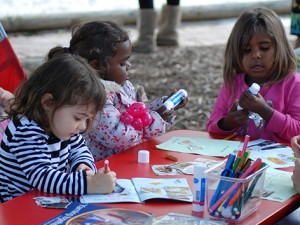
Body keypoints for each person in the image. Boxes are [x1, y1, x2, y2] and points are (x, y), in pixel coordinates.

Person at [48, 21, 188, 162]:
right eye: (122, 63)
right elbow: (119, 136)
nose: (129, 66)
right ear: (96, 66)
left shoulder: (121, 86)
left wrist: (162, 107)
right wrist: (156, 119)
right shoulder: (92, 96)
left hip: (123, 158)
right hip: (102, 166)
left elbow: (136, 115)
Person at [0, 54, 116, 203]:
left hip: (42, 200)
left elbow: (80, 150)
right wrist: (89, 184)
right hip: (15, 207)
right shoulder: (26, 131)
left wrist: (84, 166)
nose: (82, 126)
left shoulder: (63, 127)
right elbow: (42, 177)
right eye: (78, 118)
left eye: (87, 119)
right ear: (48, 102)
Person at [206, 7, 300, 143]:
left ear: (279, 48)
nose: (256, 55)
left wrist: (266, 111)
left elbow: (297, 131)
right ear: (236, 53)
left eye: (264, 48)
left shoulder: (293, 83)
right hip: (238, 162)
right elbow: (211, 128)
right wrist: (228, 122)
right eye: (246, 50)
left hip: (283, 162)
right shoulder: (233, 83)